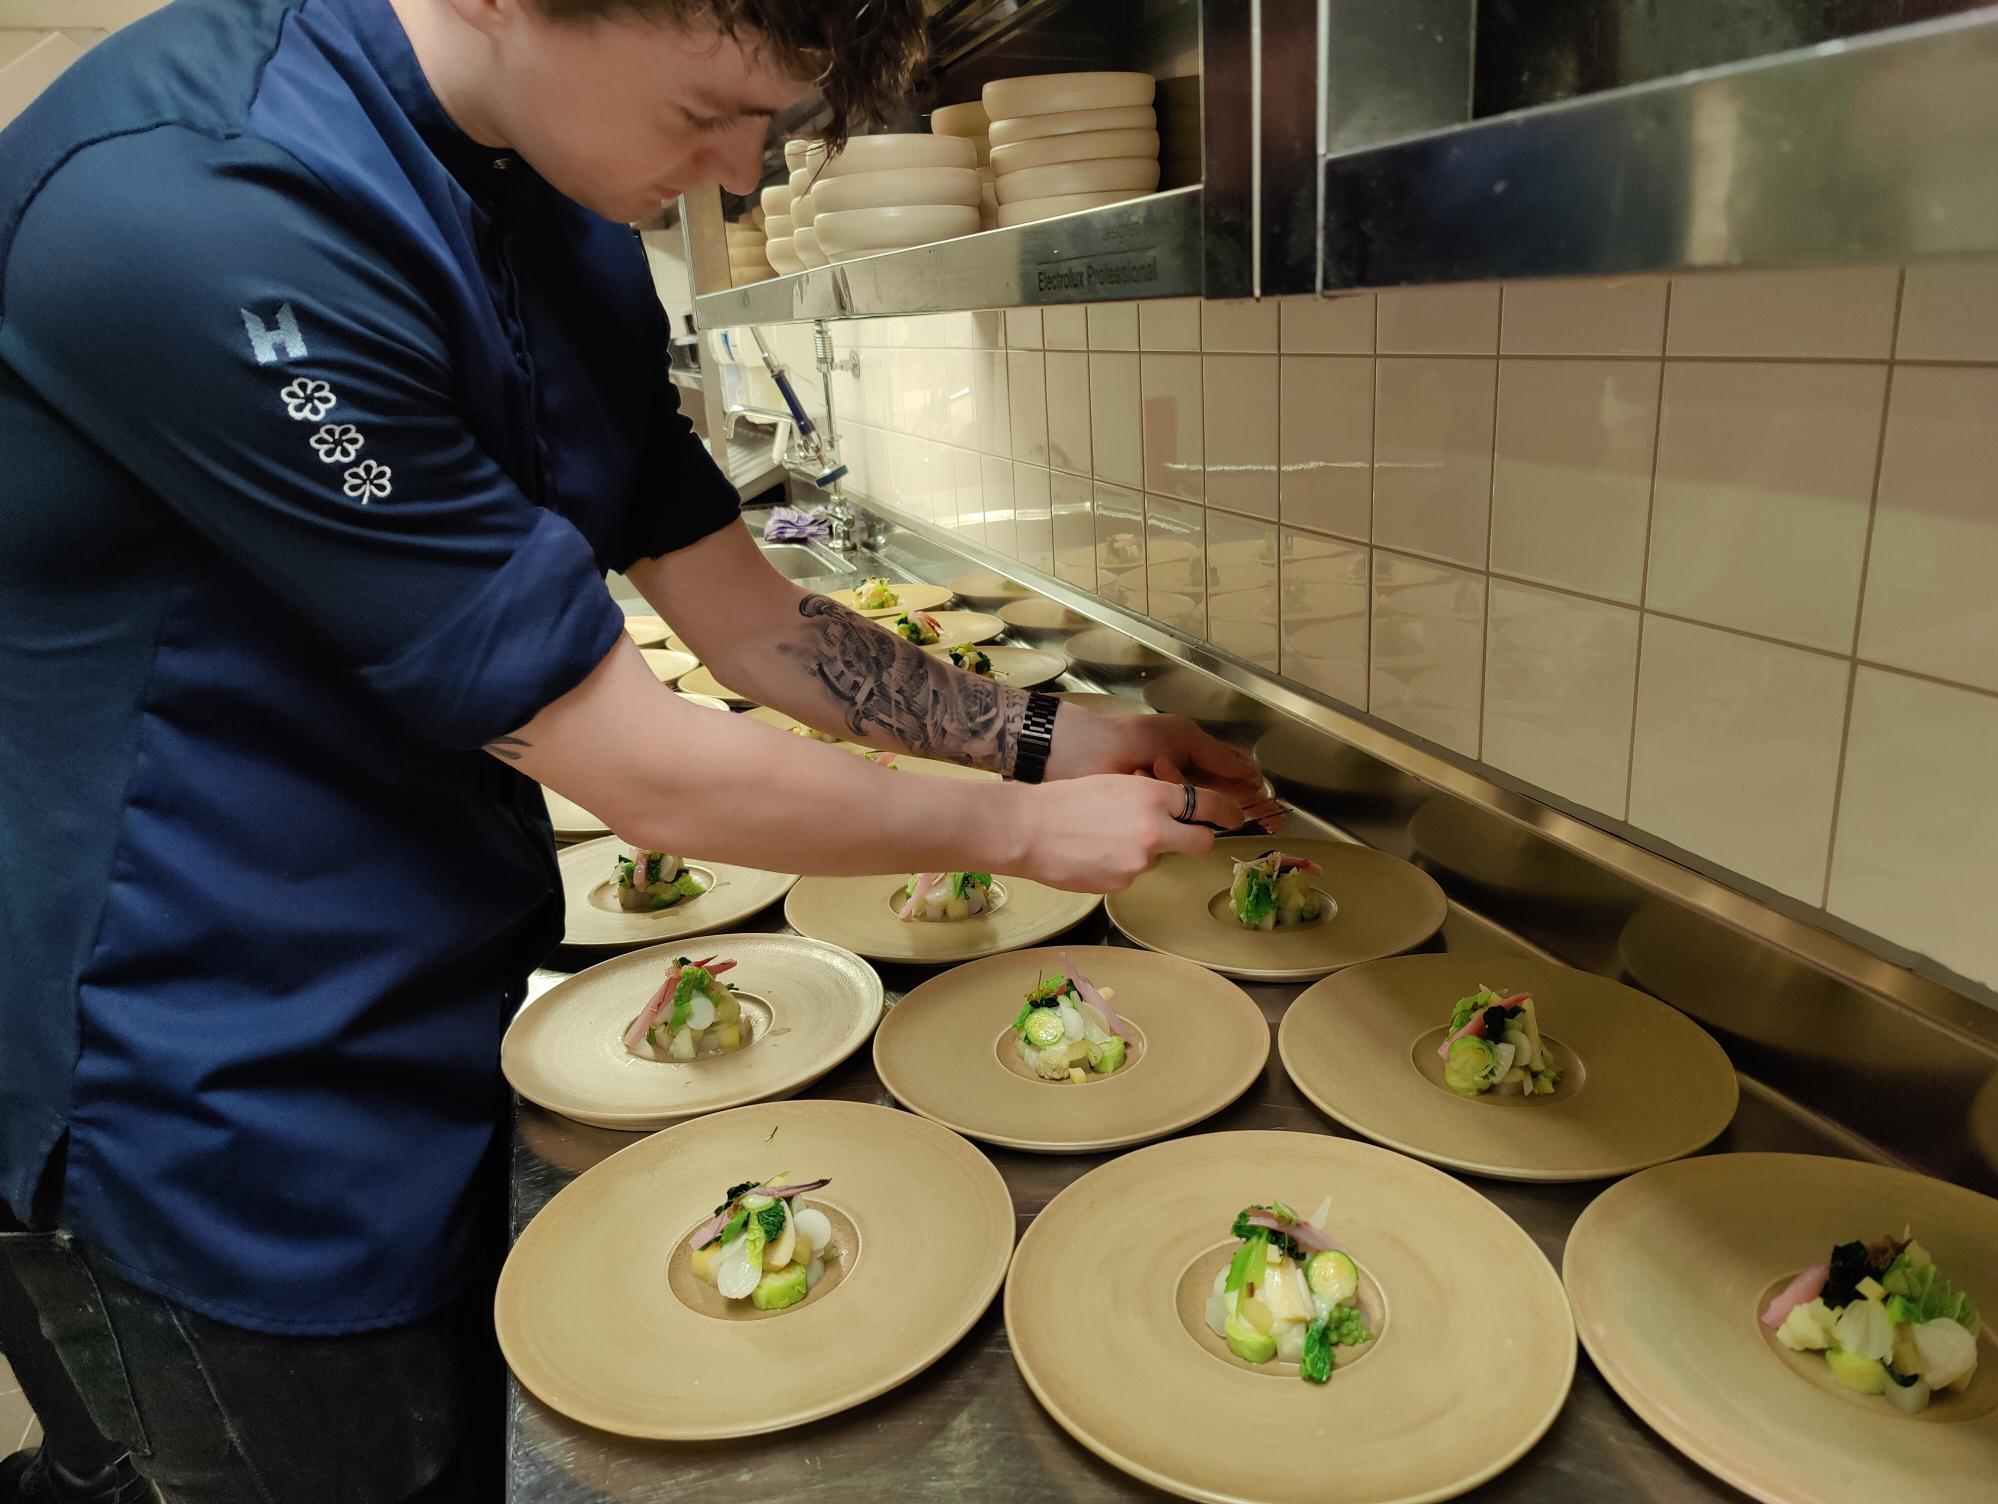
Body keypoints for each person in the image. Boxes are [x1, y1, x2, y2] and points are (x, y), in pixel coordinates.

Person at [0, 1, 1275, 1499]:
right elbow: (633, 760)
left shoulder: (560, 210)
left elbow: (743, 620)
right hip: (198, 1070)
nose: (736, 181)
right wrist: (1016, 837)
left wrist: (1052, 734)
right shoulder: (209, 209)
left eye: (769, 133)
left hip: (415, 983)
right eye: (704, 114)